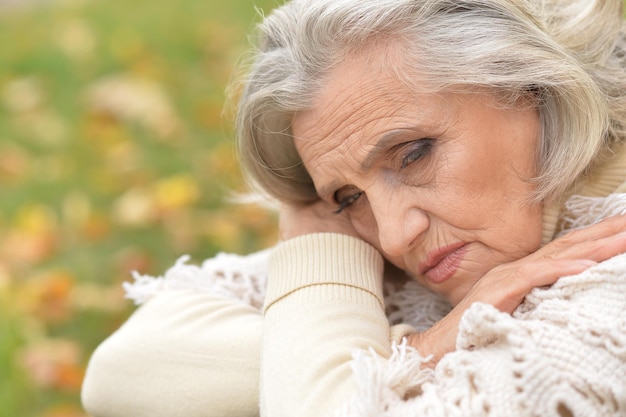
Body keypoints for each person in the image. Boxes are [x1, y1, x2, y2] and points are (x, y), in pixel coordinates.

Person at [81, 0, 626, 416]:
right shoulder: (412, 250)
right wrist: (420, 345)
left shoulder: (608, 296)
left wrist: (341, 360)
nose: (393, 236)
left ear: (529, 86)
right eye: (348, 198)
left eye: (412, 153)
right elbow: (119, 370)